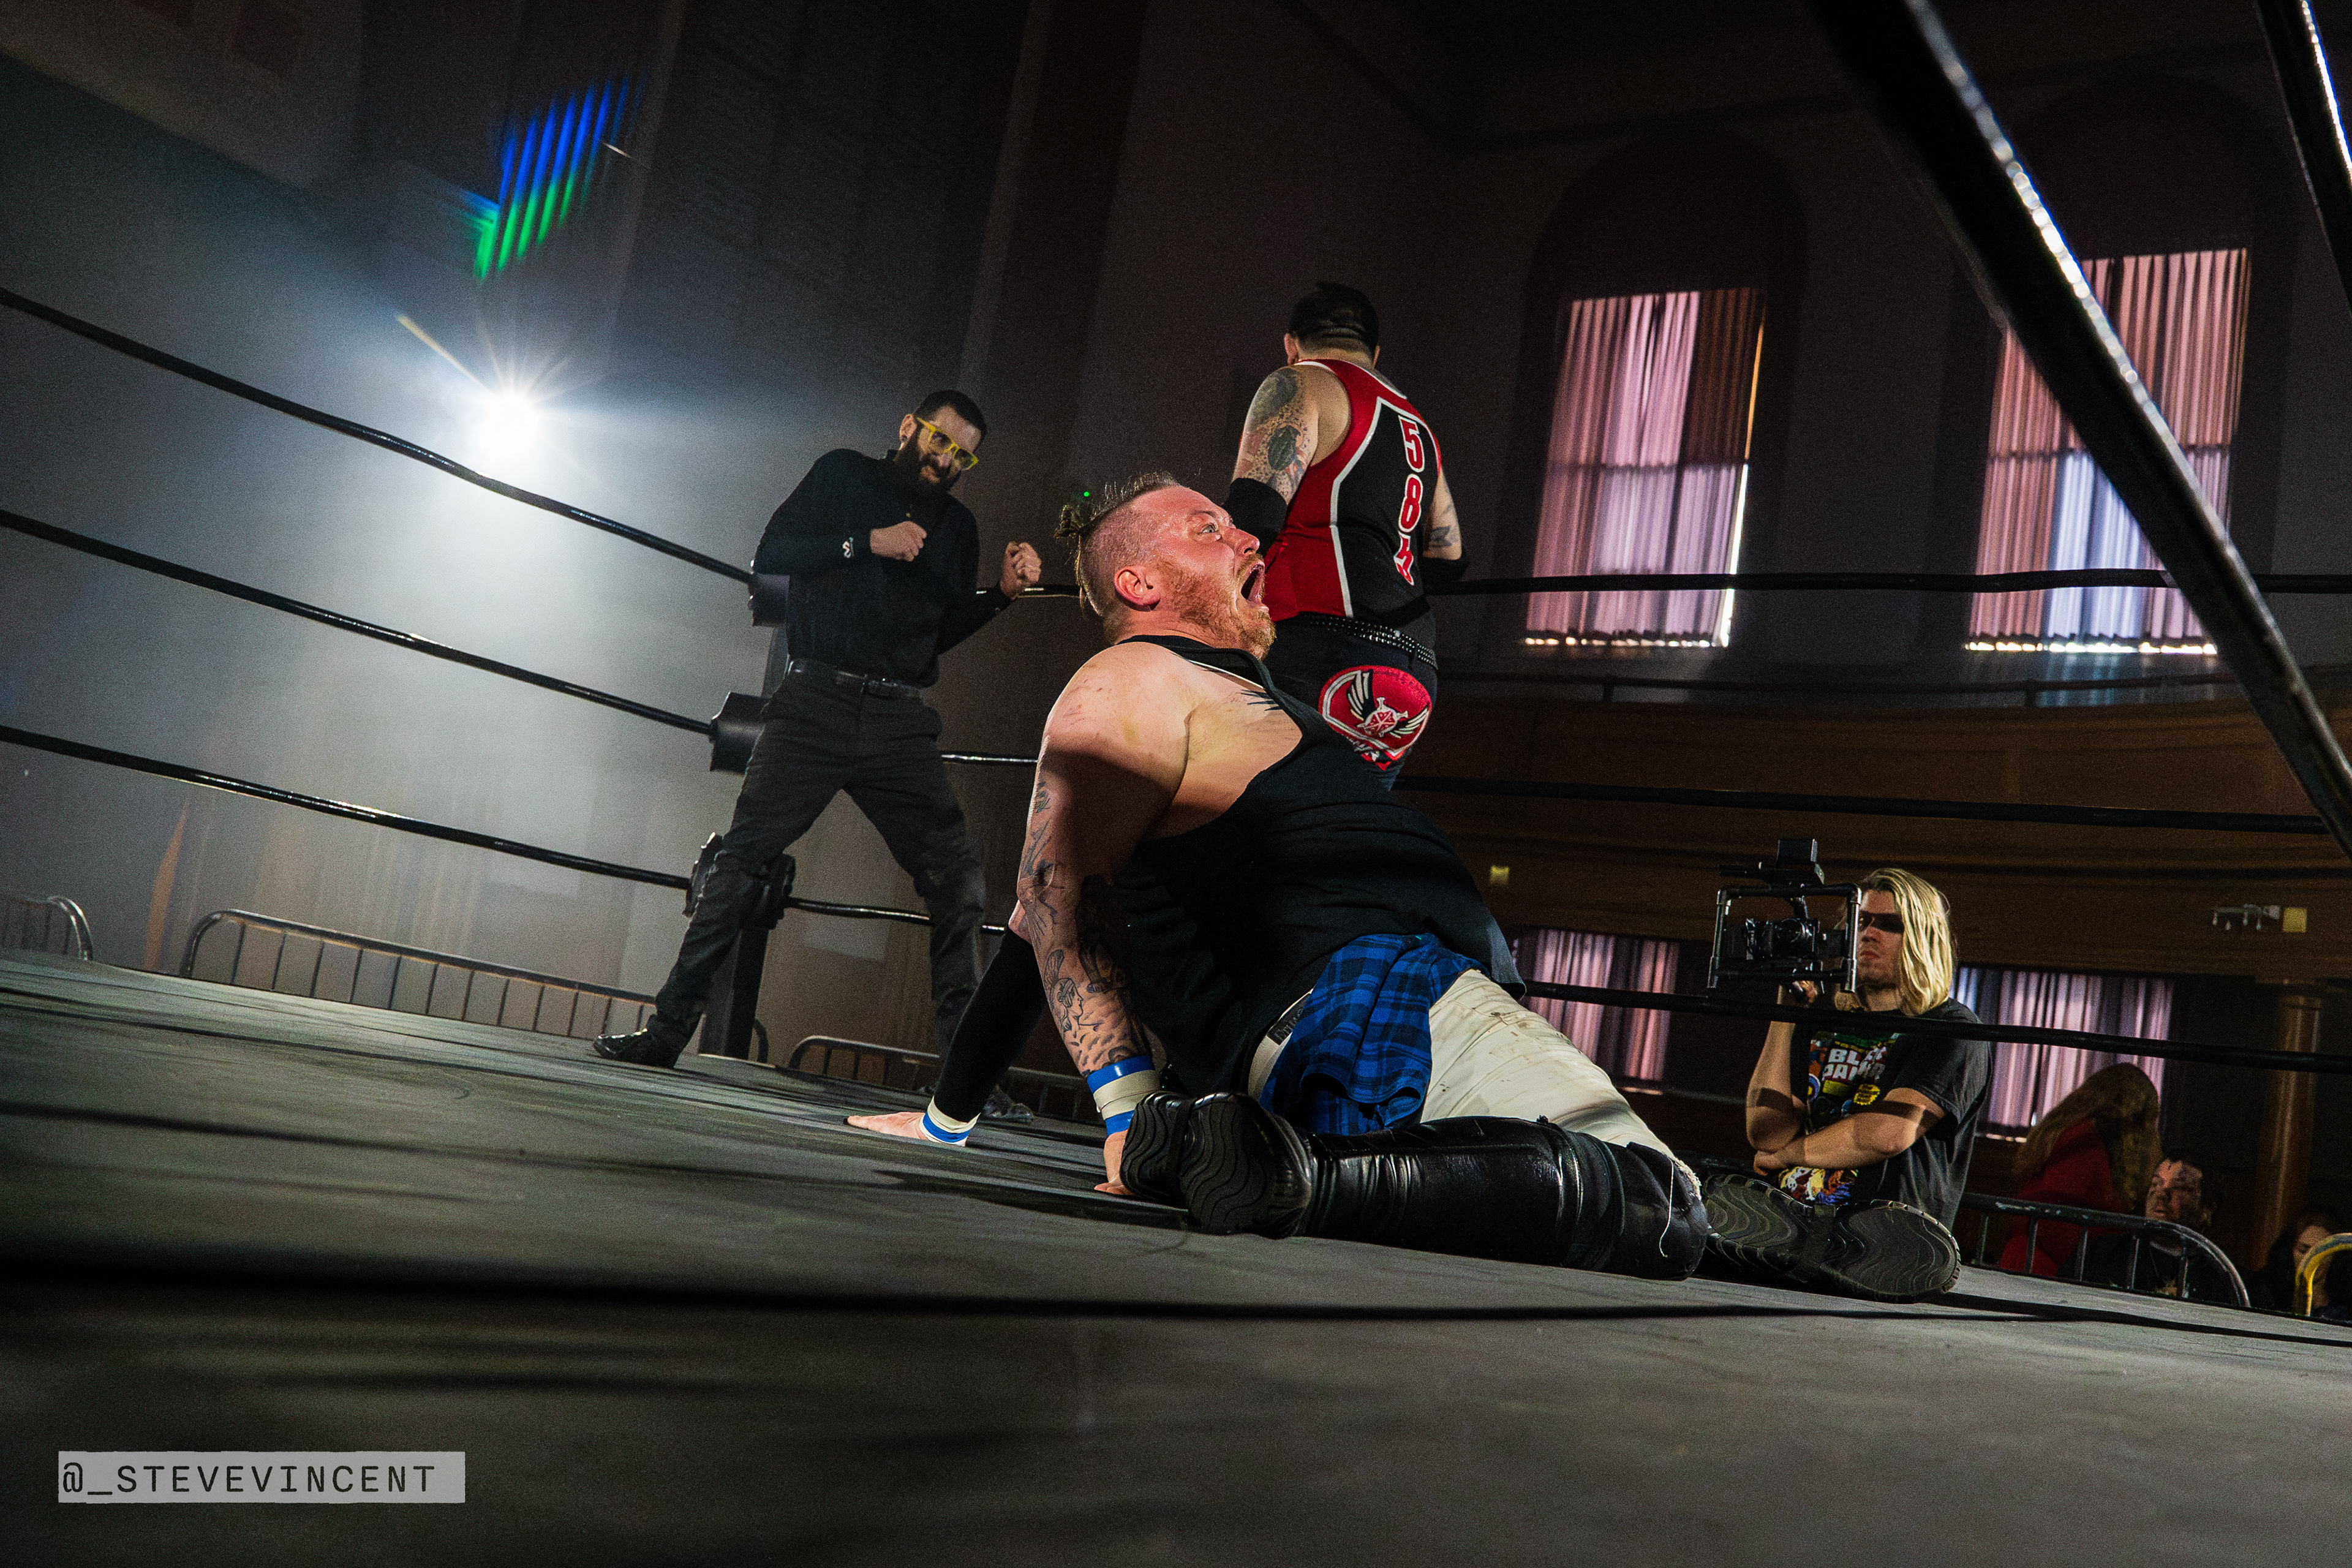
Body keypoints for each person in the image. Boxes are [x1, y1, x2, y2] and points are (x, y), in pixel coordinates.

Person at [864, 473, 1702, 1281]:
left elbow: (1035, 932)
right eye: (1207, 530)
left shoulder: (1209, 696)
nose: (1247, 538)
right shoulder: (1138, 673)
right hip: (1390, 1008)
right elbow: (1055, 897)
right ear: (1138, 582)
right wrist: (1135, 1119)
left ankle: (1296, 1171)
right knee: (1656, 1203)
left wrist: (948, 1118)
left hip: (1370, 1036)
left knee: (1608, 1222)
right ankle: (1303, 1174)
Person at [595, 393, 1042, 1068]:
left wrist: (1000, 596)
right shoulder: (844, 474)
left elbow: (938, 635)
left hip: (898, 719)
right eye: (940, 441)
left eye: (962, 455)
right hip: (814, 701)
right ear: (909, 427)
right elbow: (773, 551)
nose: (946, 460)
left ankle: (966, 1078)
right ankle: (666, 1033)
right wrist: (867, 542)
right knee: (740, 859)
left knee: (960, 880)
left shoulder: (959, 527)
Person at [1706, 870, 1989, 1302]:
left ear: (1923, 938)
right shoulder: (1821, 1016)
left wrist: (1785, 1156)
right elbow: (1766, 1132)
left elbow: (1886, 1134)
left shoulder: (1952, 1027)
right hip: (1789, 1236)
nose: (1868, 934)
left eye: (1889, 925)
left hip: (1881, 1248)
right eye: (1860, 922)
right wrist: (1786, 1015)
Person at [1223, 283, 1465, 782]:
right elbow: (1451, 558)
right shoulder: (1419, 427)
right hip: (1413, 665)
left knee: (1239, 806)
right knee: (1345, 817)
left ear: (1291, 344)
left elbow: (1253, 518)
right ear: (1374, 354)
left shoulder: (1301, 381)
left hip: (1319, 640)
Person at [1996, 1063, 2161, 1279]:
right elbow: (2051, 1221)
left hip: (2032, 1265)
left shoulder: (2069, 1132)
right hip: (2047, 1273)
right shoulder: (2086, 1139)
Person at [2087, 1150, 2238, 1303]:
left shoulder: (2223, 1278)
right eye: (2155, 1183)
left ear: (2207, 1209)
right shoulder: (2102, 1253)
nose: (2160, 1194)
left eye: (2179, 1187)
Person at [2248, 1205, 2349, 1316]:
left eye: (2320, 1252)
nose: (2311, 1259)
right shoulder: (2266, 1293)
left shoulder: (2345, 1301)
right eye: (2303, 1251)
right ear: (2290, 1250)